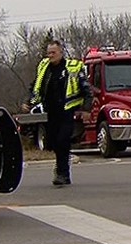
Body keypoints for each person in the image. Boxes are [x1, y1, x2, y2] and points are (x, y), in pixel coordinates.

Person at [28, 40, 89, 186]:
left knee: (63, 141)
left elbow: (86, 90)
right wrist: (29, 101)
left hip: (67, 111)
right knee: (54, 142)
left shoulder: (72, 68)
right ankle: (61, 170)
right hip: (50, 112)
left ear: (61, 52)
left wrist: (86, 109)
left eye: (53, 53)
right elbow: (35, 86)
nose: (50, 56)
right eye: (48, 53)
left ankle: (62, 173)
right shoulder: (44, 68)